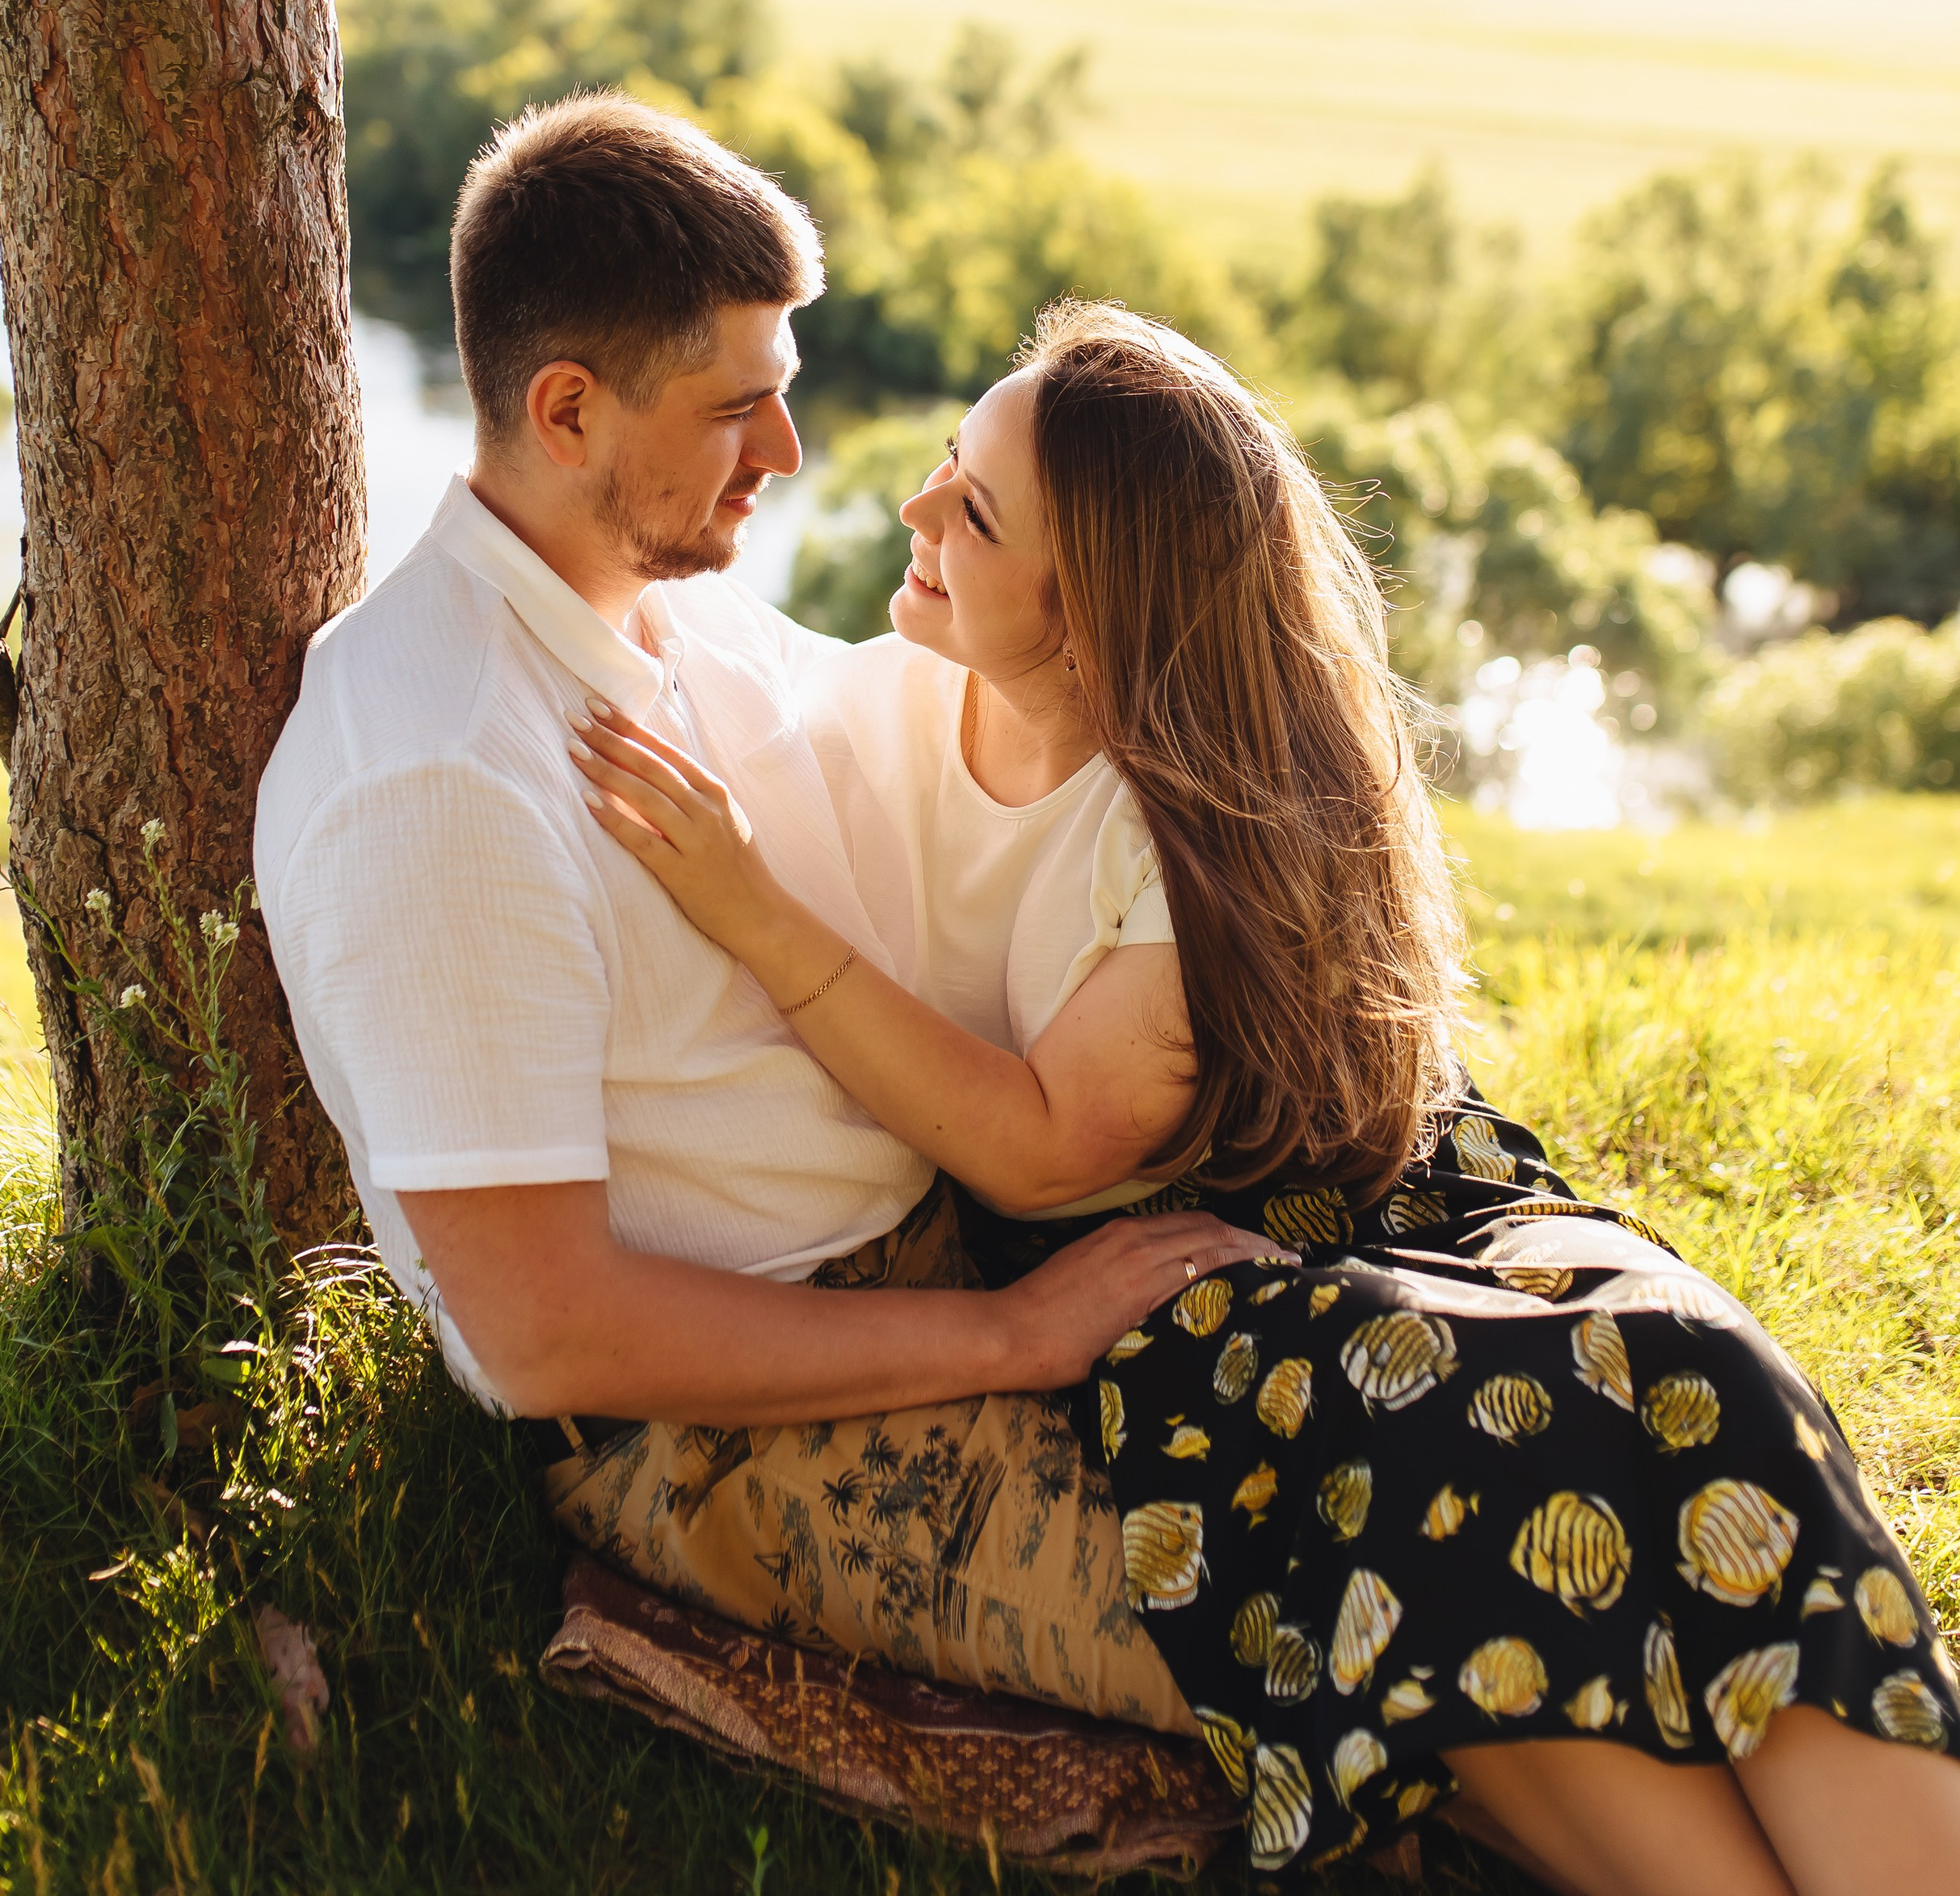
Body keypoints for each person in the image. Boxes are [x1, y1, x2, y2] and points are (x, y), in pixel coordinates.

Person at [571, 299, 1960, 1896]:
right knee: (1471, 1510)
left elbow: (1035, 1138)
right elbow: (699, 659)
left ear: (1095, 618)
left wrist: (755, 916)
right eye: (953, 468)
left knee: (1696, 1380)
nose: (912, 509)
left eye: (973, 510)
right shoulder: (892, 690)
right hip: (1189, 1298)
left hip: (1300, 1205)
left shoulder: (1171, 827)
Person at [254, 96, 1264, 1749]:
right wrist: (1010, 1336)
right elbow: (544, 1333)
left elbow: (965, 740)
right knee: (1277, 1617)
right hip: (717, 1428)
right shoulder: (437, 776)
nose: (787, 453)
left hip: (935, 1271)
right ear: (566, 410)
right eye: (739, 408)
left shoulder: (677, 616)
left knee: (1398, 1478)